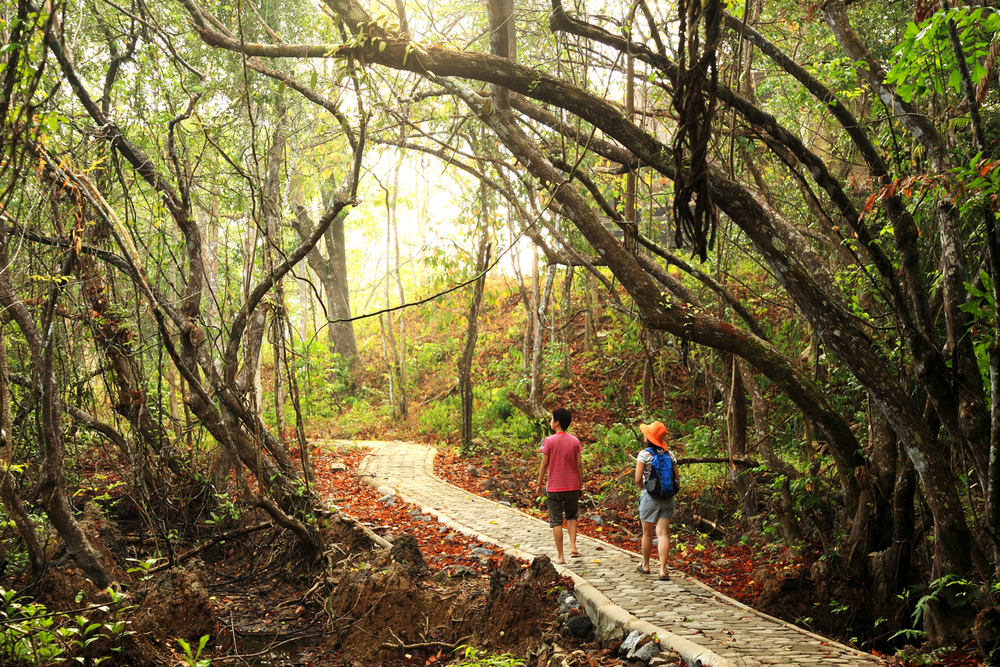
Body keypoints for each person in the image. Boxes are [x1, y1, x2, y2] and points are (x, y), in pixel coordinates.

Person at [536, 407, 584, 564]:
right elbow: (579, 465)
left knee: (556, 521)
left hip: (554, 487)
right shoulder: (575, 441)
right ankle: (573, 546)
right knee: (572, 516)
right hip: (572, 486)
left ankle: (561, 556)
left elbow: (544, 464)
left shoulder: (549, 441)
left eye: (551, 419)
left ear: (556, 423)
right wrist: (580, 484)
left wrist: (539, 483)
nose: (550, 422)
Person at [634, 421, 680, 580]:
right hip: (667, 498)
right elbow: (677, 478)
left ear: (648, 438)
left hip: (649, 497)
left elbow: (638, 479)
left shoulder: (643, 454)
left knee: (647, 534)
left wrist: (643, 489)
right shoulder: (669, 454)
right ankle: (662, 570)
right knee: (662, 533)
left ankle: (645, 566)